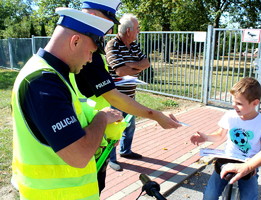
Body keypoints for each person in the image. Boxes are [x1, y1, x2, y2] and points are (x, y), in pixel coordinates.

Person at [10, 8, 124, 199]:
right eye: (90, 52)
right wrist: (101, 118)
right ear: (75, 41)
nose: (89, 60)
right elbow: (79, 155)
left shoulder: (49, 74)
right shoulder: (43, 83)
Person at [104, 13, 181, 171]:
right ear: (128, 31)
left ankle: (125, 151)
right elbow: (120, 71)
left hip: (130, 95)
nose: (139, 31)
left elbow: (146, 63)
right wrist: (134, 67)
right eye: (137, 28)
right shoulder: (112, 45)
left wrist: (131, 64)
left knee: (129, 126)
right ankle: (110, 159)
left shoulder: (133, 45)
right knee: (113, 129)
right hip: (116, 97)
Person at [190, 77, 261, 200]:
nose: (234, 106)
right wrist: (205, 137)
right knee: (209, 196)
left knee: (249, 197)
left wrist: (254, 165)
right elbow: (219, 135)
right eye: (233, 101)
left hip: (248, 165)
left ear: (255, 103)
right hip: (227, 161)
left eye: (239, 104)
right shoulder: (230, 116)